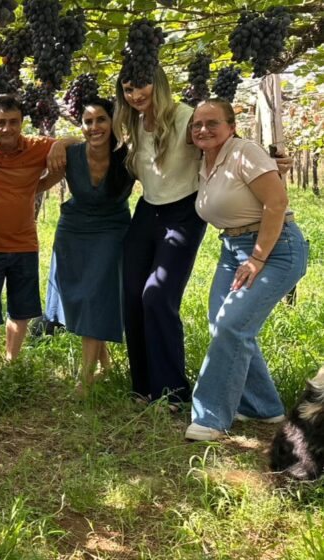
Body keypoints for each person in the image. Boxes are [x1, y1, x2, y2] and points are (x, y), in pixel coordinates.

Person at [184, 98, 307, 441]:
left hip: (275, 248)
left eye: (212, 123)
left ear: (231, 126)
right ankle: (263, 407)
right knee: (222, 325)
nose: (203, 129)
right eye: (197, 124)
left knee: (231, 325)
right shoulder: (205, 160)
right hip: (232, 249)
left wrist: (257, 258)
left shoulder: (244, 151)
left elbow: (277, 202)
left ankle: (210, 418)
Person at [112, 65, 206, 407]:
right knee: (133, 295)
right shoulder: (134, 123)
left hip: (183, 214)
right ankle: (144, 387)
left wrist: (271, 162)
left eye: (141, 86)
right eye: (127, 89)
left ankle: (173, 392)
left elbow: (227, 144)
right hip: (146, 213)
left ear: (159, 83)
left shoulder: (187, 118)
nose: (135, 95)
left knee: (157, 295)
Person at [39, 97, 134, 395]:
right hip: (73, 232)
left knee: (97, 297)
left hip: (111, 231)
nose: (94, 127)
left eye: (101, 119)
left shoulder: (129, 157)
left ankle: (86, 379)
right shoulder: (72, 154)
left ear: (114, 122)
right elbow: (42, 182)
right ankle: (105, 368)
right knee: (81, 300)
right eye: (88, 121)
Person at [0, 94, 67, 363]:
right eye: (1, 122)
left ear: (22, 123)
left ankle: (11, 360)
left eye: (14, 122)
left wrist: (61, 144)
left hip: (24, 245)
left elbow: (79, 143)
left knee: (20, 310)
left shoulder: (35, 146)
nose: (7, 128)